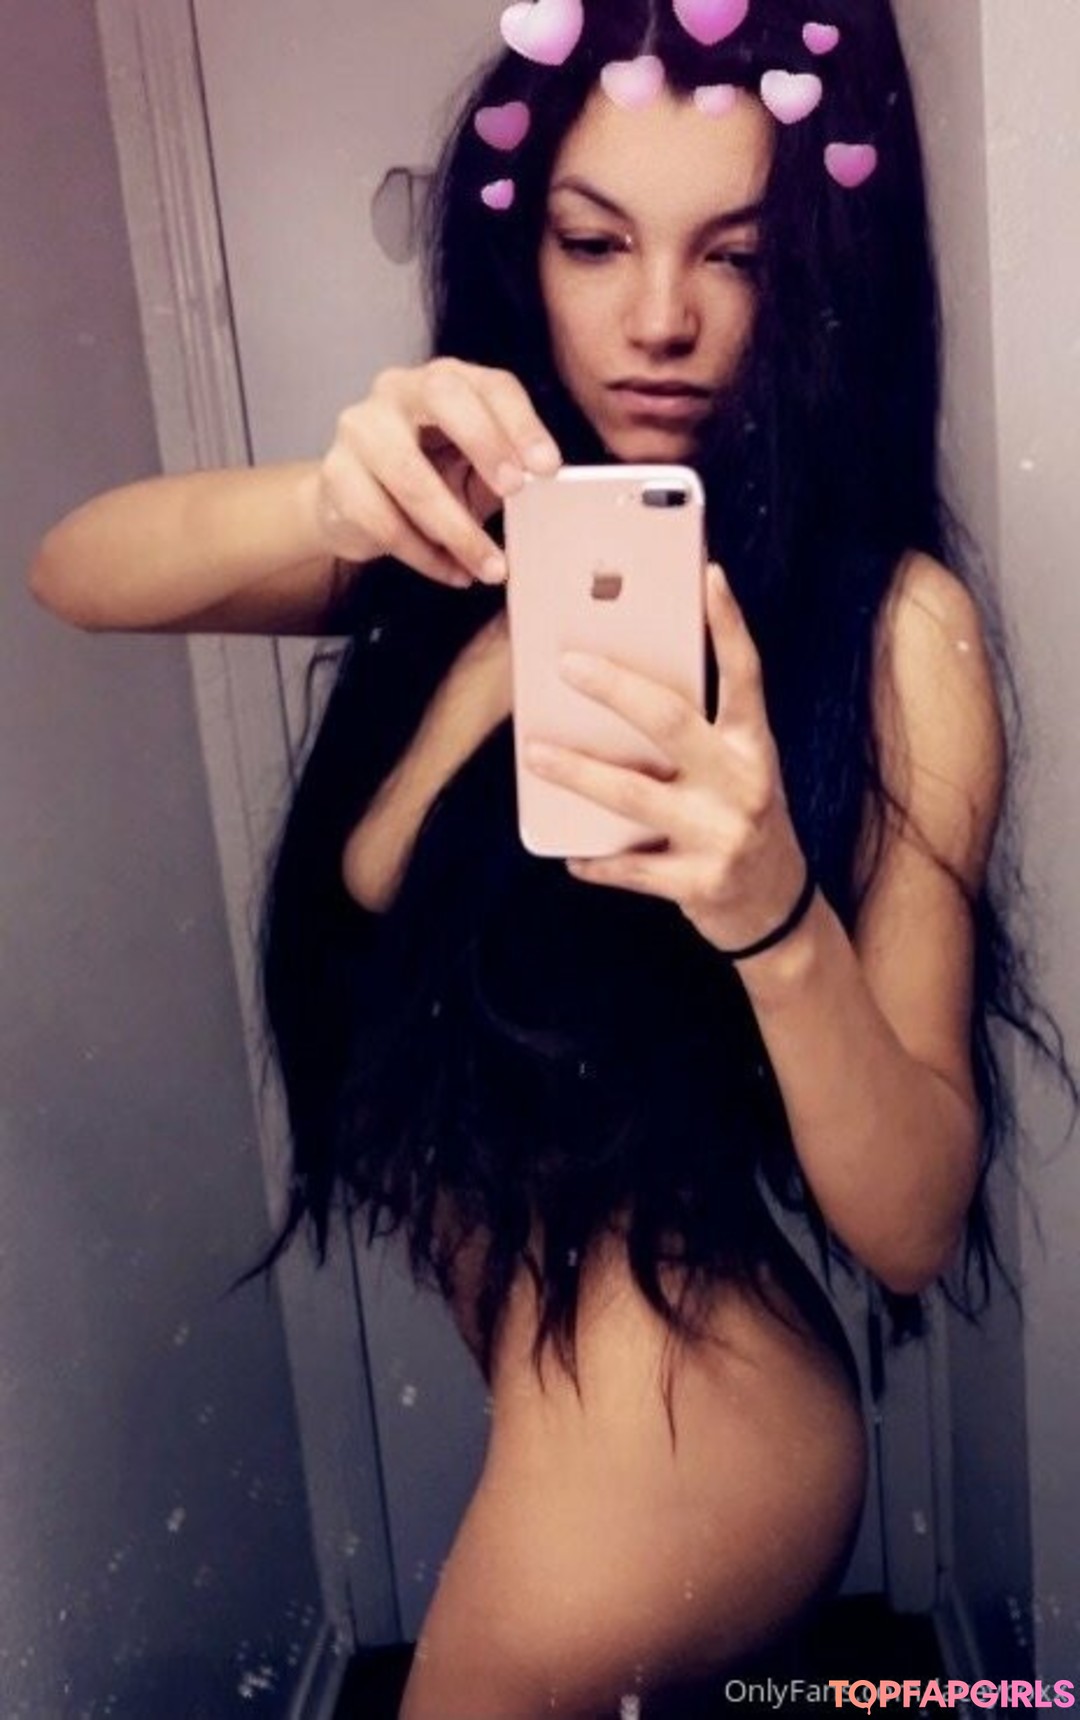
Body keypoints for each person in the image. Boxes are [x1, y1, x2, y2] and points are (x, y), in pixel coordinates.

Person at [28, 0, 1077, 1714]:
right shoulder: (460, 540)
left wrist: (776, 923)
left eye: (737, 255)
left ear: (823, 279)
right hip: (588, 1415)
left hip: (677, 1456)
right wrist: (336, 499)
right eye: (597, 242)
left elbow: (911, 1222)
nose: (660, 319)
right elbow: (76, 570)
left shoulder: (894, 633)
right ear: (524, 255)